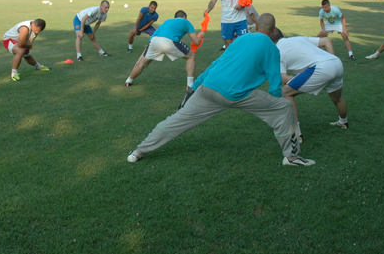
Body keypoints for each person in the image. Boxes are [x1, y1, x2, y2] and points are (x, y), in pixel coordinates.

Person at [127, 13, 315, 167]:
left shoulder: (241, 40)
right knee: (284, 107)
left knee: (176, 121)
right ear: (273, 30)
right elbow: (275, 85)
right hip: (235, 94)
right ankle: (292, 157)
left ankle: (138, 151)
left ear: (257, 26)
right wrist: (274, 107)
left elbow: (215, 63)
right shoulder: (272, 49)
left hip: (208, 87)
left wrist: (193, 88)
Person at [270, 28, 348, 143]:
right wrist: (330, 65)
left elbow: (285, 79)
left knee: (285, 92)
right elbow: (328, 41)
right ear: (283, 34)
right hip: (336, 63)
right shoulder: (298, 38)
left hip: (322, 68)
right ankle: (343, 122)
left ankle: (297, 134)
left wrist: (302, 78)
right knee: (337, 98)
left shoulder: (276, 52)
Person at [125, 10, 205, 89]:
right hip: (169, 42)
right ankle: (190, 85)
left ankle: (129, 80)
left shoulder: (167, 21)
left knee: (142, 63)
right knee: (191, 56)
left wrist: (143, 56)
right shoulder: (186, 22)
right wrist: (201, 35)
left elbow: (152, 38)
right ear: (184, 17)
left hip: (154, 41)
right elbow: (197, 42)